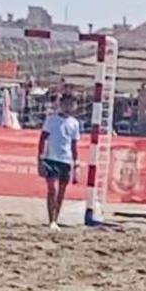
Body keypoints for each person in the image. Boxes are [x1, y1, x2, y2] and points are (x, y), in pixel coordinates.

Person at [37, 93, 81, 230]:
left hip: (65, 160)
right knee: (52, 189)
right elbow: (42, 139)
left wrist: (76, 164)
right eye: (66, 103)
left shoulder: (74, 123)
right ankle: (51, 220)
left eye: (71, 104)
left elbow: (74, 146)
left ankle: (56, 219)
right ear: (60, 104)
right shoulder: (51, 120)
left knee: (61, 192)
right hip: (51, 159)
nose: (68, 107)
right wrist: (40, 159)